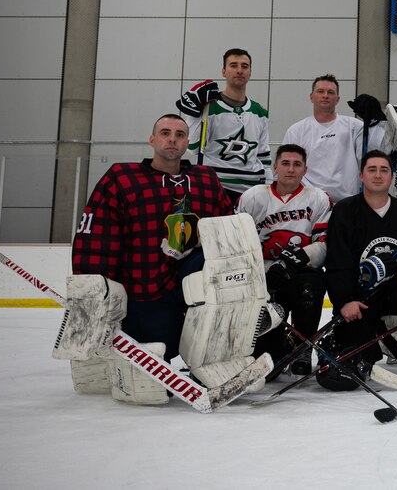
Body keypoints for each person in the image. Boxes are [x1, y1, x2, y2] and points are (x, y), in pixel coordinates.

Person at [62, 114, 272, 404]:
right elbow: (97, 235)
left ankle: (215, 361)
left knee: (216, 271)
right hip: (145, 292)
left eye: (180, 134)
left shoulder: (205, 179)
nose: (172, 139)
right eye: (165, 133)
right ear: (152, 140)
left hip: (191, 289)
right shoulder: (122, 178)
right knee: (157, 349)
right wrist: (96, 291)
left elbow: (230, 235)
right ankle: (127, 366)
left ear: (188, 142)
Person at [323, 150, 397, 377]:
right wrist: (345, 300)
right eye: (371, 170)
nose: (378, 175)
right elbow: (337, 259)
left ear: (392, 176)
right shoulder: (345, 211)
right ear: (361, 176)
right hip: (359, 300)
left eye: (384, 170)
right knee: (354, 365)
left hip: (394, 292)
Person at [236, 144, 331, 376]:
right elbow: (236, 240)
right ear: (274, 166)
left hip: (299, 272)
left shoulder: (318, 198)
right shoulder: (252, 197)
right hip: (262, 276)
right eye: (285, 163)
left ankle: (303, 346)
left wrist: (292, 262)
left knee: (311, 283)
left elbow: (325, 243)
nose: (291, 169)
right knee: (269, 370)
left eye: (297, 164)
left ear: (305, 169)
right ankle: (283, 344)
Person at [175, 48, 270, 203]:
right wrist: (194, 114)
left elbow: (264, 156)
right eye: (233, 65)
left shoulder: (260, 112)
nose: (239, 70)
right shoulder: (209, 106)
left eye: (244, 66)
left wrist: (269, 186)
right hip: (216, 187)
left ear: (250, 73)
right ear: (224, 72)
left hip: (252, 191)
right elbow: (193, 148)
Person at [281, 75, 387, 203]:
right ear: (311, 97)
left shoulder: (355, 127)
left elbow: (376, 154)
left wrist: (376, 121)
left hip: (348, 203)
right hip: (309, 204)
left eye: (330, 92)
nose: (325, 95)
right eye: (320, 91)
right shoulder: (296, 130)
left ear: (337, 99)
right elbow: (284, 169)